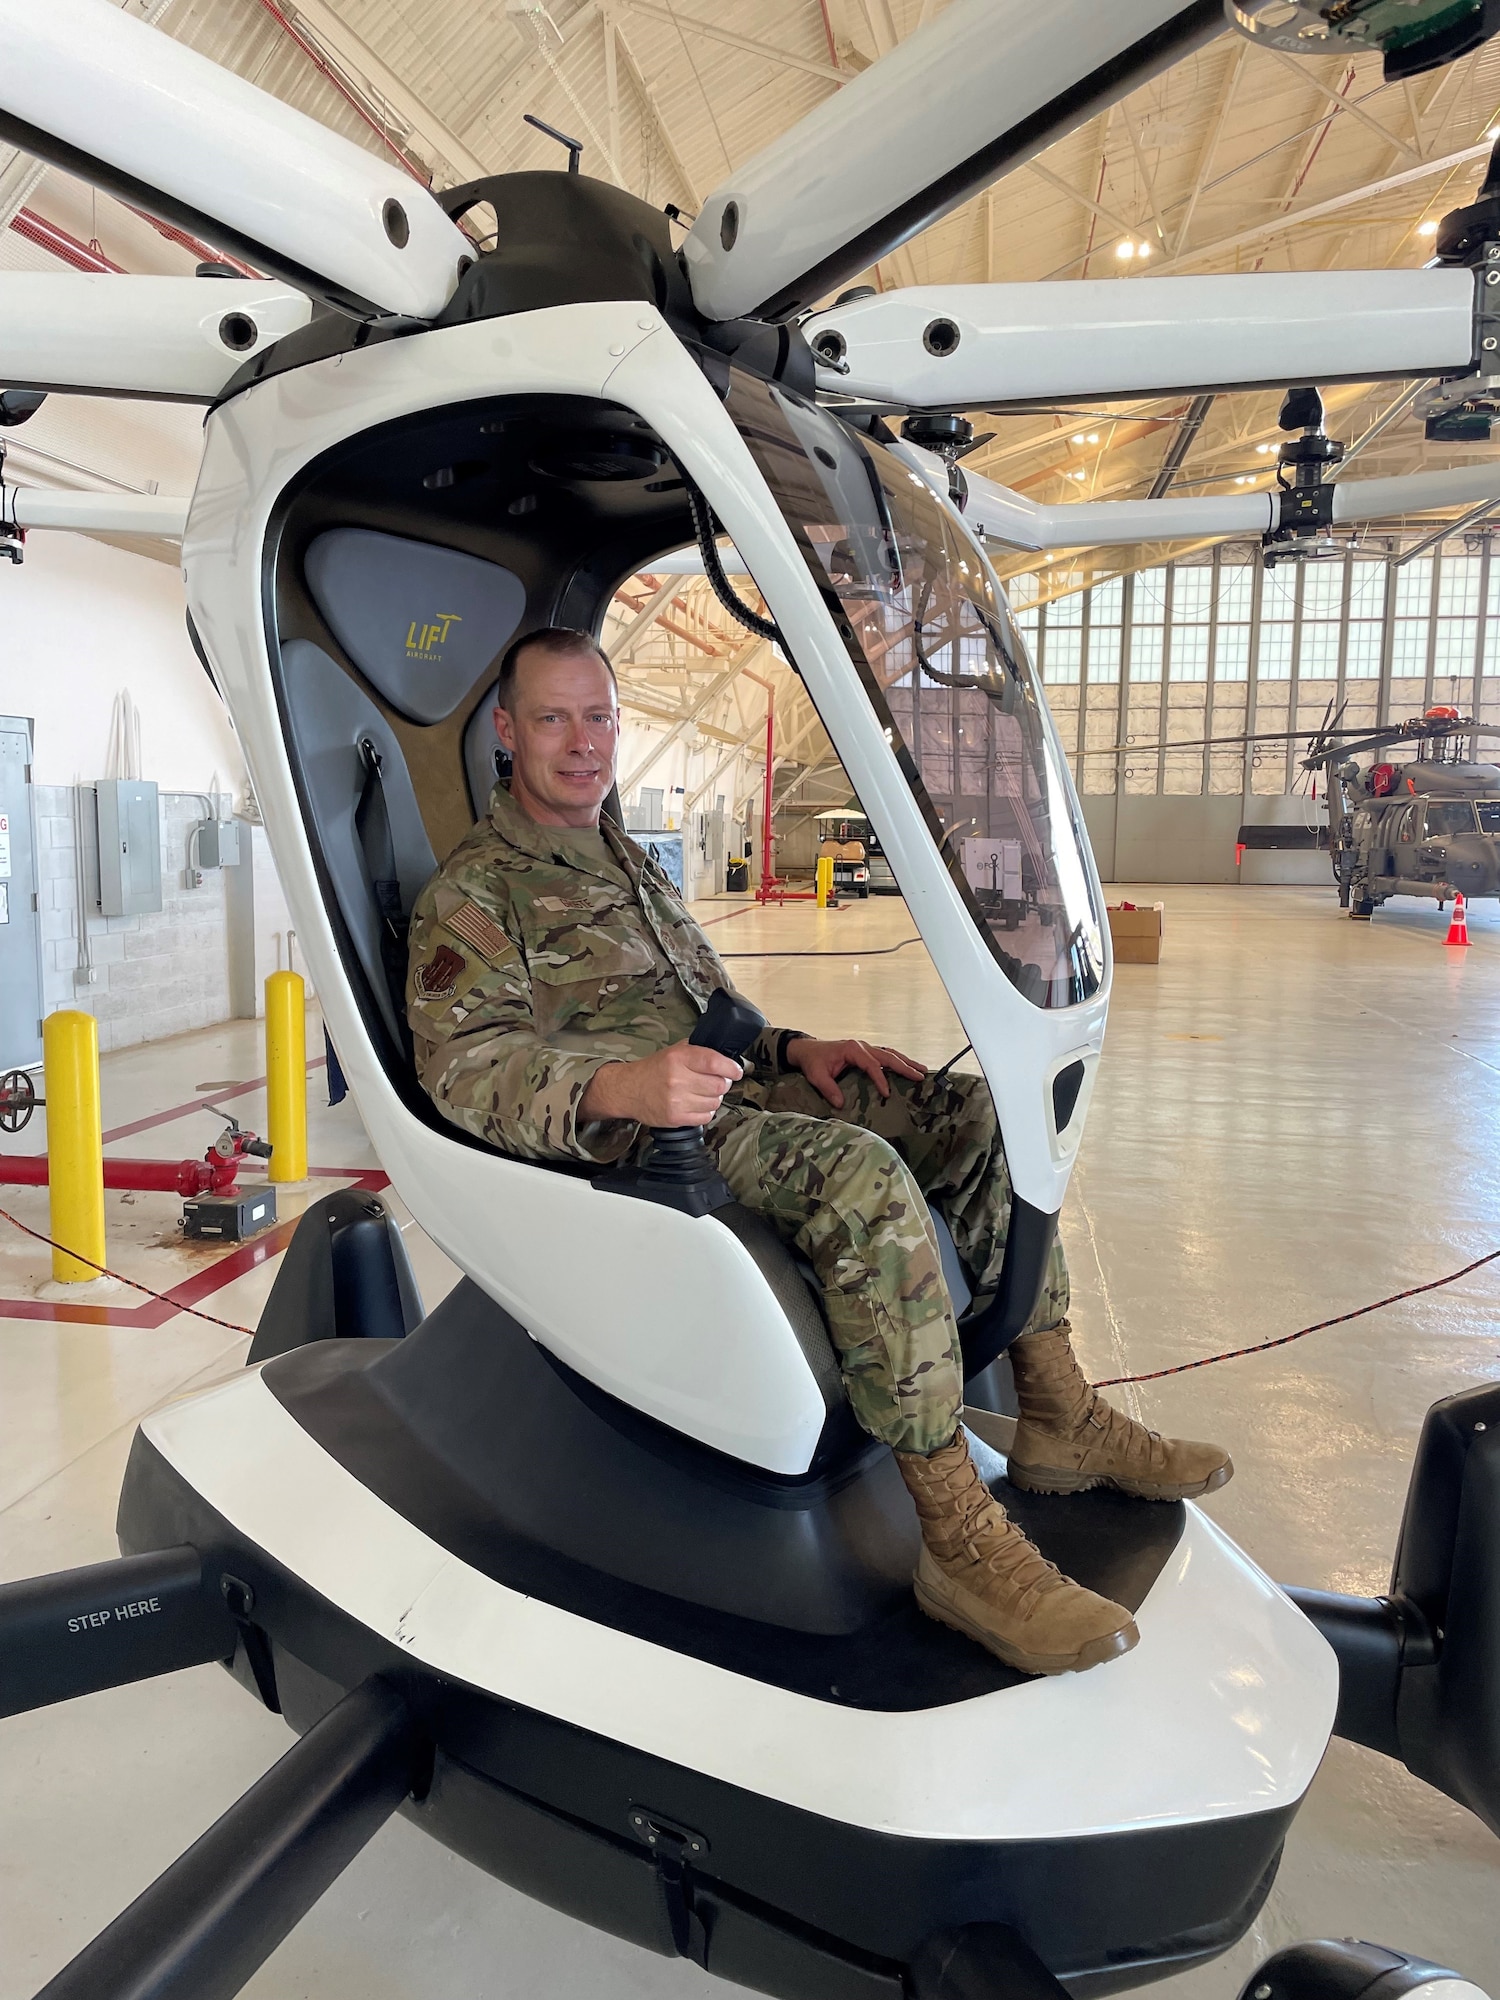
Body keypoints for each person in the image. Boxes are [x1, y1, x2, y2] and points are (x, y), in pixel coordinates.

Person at [406, 627, 1232, 1677]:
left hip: (723, 1085)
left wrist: (800, 1048)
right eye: (555, 718)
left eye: (600, 716)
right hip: (636, 1139)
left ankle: (1057, 1409)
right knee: (864, 1179)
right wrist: (621, 1086)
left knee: (973, 1115)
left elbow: (707, 1007)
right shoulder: (478, 892)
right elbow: (464, 1070)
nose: (583, 743)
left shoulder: (626, 858)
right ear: (507, 730)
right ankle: (958, 1536)